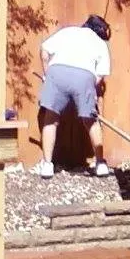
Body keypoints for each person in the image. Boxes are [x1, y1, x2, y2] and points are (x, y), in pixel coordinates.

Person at [36, 15, 112, 179]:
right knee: (91, 120)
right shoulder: (100, 43)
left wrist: (47, 74)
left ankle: (47, 165)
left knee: (50, 118)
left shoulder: (67, 31)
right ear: (99, 31)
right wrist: (89, 87)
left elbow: (44, 51)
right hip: (84, 76)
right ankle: (100, 164)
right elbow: (100, 75)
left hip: (57, 71)